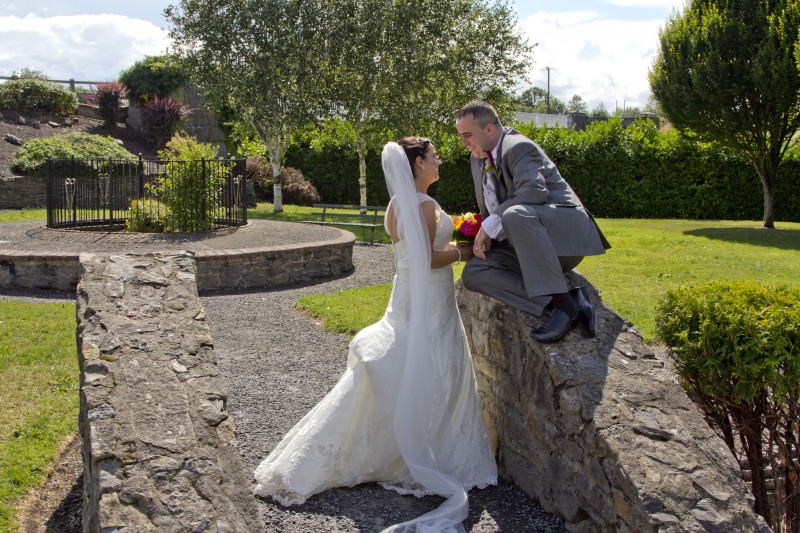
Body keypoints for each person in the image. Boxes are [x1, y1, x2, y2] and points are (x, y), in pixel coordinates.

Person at [253, 137, 497, 532]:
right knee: (436, 366)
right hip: (428, 302)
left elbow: (411, 252)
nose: (439, 161)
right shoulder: (424, 205)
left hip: (407, 297)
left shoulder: (395, 205)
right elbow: (428, 258)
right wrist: (464, 251)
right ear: (418, 163)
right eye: (433, 156)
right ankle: (429, 452)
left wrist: (453, 242)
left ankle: (401, 441)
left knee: (409, 364)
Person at [455, 100, 611, 343]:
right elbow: (492, 205)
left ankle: (564, 308)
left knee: (514, 213)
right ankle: (568, 302)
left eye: (467, 135)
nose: (464, 143)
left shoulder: (518, 147)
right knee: (474, 274)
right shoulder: (477, 158)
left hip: (560, 242)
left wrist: (491, 224)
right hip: (521, 245)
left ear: (488, 129)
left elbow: (533, 192)